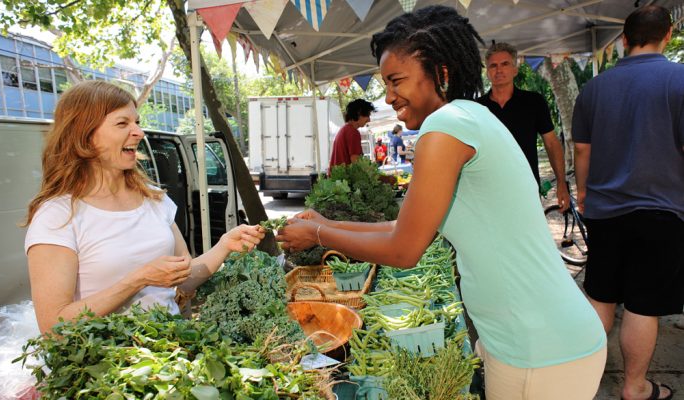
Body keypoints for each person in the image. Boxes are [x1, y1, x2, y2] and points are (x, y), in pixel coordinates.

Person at [277, 6, 606, 399]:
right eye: (385, 83)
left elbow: (403, 248)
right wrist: (326, 222)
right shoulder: (468, 118)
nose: (389, 96)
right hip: (535, 341)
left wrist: (316, 233)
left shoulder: (445, 126)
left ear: (441, 73)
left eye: (397, 80)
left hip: (542, 350)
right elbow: (406, 227)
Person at [23, 81, 265, 334]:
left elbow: (184, 278)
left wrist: (225, 245)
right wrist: (138, 279)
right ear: (84, 135)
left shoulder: (155, 200)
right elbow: (52, 326)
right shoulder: (58, 216)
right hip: (104, 366)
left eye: (137, 122)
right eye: (122, 123)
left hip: (167, 355)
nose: (139, 132)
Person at [572, 6, 683, 400]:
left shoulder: (595, 88)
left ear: (624, 39)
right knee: (643, 303)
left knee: (600, 297)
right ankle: (635, 388)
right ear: (667, 35)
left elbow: (581, 150)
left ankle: (576, 382)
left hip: (604, 212)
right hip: (662, 210)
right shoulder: (679, 79)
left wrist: (584, 194)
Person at [477, 42, 569, 211]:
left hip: (526, 189)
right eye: (493, 66)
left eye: (505, 64)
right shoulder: (477, 108)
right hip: (486, 193)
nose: (499, 70)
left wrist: (561, 183)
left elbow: (551, 143)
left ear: (515, 69)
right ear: (487, 72)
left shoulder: (533, 102)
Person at [329, 98, 375, 169]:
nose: (369, 119)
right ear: (359, 113)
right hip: (344, 178)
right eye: (367, 115)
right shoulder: (352, 132)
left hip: (337, 178)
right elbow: (357, 163)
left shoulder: (345, 129)